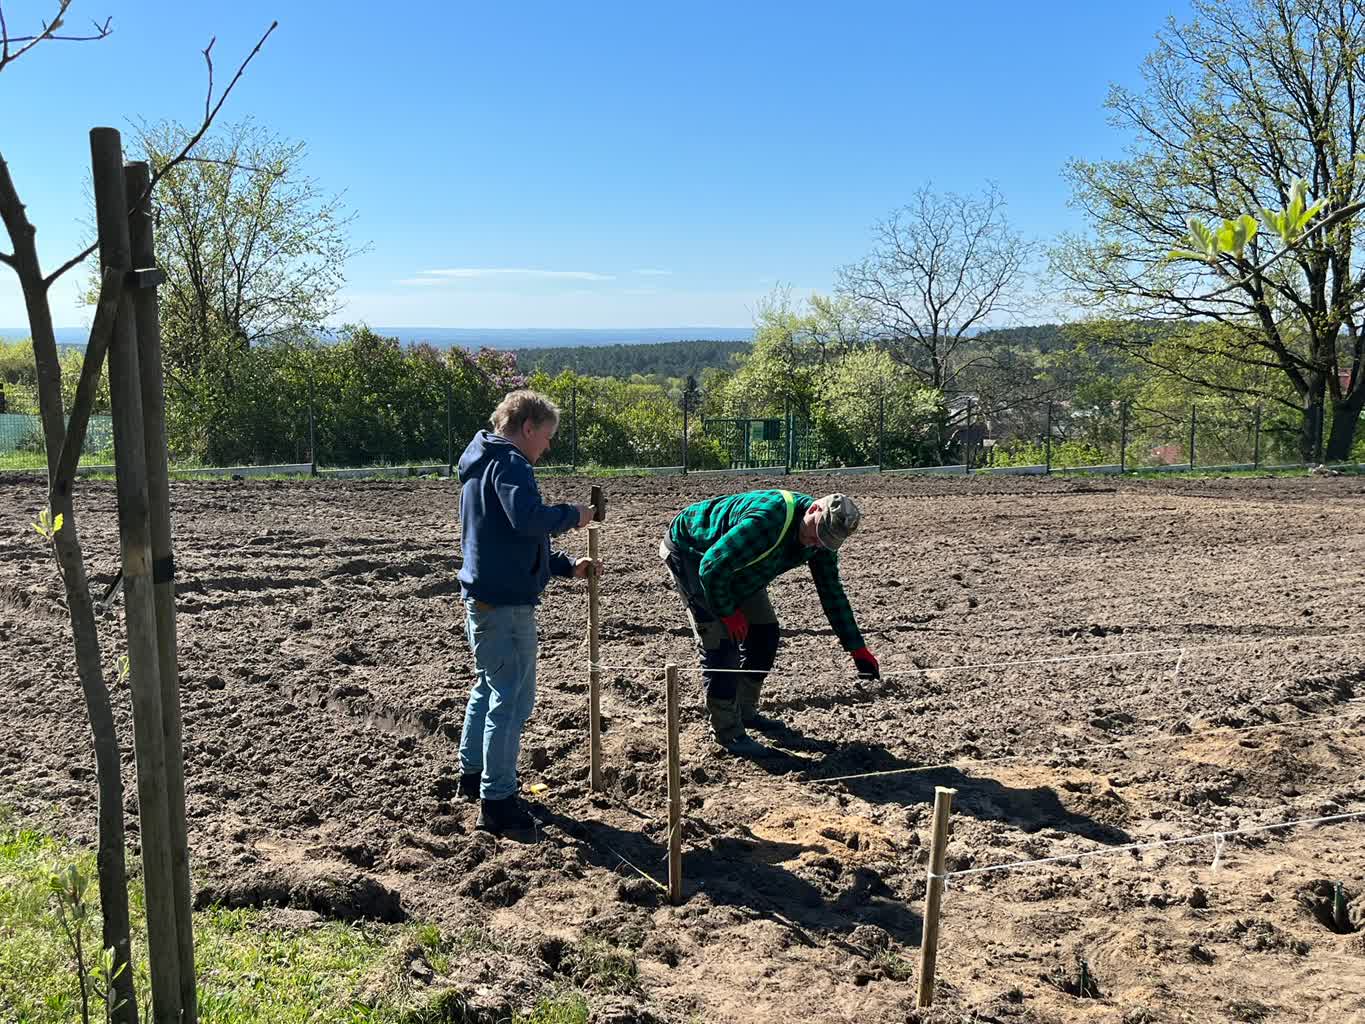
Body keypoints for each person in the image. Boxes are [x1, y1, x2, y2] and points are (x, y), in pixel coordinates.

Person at [455, 389, 595, 833]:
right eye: (547, 436)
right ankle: (497, 802)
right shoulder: (511, 463)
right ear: (528, 427)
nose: (548, 446)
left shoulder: (480, 464)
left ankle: (472, 776)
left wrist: (565, 565)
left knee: (489, 688)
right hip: (506, 604)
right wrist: (573, 515)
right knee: (512, 700)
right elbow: (527, 518)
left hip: (485, 596)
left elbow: (511, 537)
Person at [659, 489, 878, 756]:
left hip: (740, 566)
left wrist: (856, 647)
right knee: (721, 642)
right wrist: (728, 613)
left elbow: (831, 592)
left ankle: (745, 711)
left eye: (826, 542)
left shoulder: (820, 541)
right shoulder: (769, 520)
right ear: (812, 511)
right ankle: (727, 732)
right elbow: (711, 567)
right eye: (817, 536)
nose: (816, 544)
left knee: (764, 634)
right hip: (693, 552)